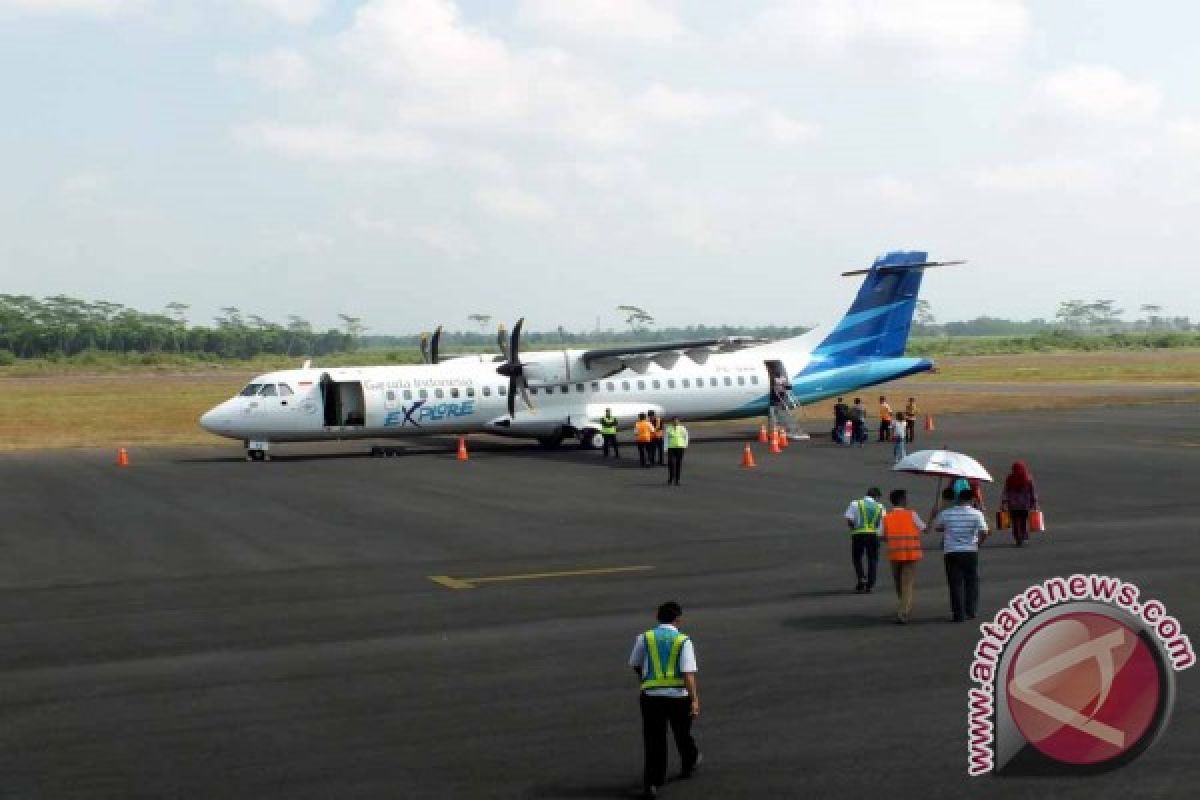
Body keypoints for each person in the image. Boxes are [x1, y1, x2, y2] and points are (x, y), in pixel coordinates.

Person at [628, 602, 702, 799]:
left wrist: (646, 678)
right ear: (678, 620)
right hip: (678, 697)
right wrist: (694, 700)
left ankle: (652, 781)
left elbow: (635, 663)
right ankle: (689, 762)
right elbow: (688, 673)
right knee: (682, 734)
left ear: (657, 617)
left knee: (654, 740)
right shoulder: (683, 640)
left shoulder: (645, 637)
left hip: (651, 697)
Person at [935, 488, 989, 622]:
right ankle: (971, 610)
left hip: (951, 551)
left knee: (955, 583)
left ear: (959, 499)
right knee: (971, 582)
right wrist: (978, 543)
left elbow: (938, 527)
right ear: (971, 500)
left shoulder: (947, 513)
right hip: (970, 550)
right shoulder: (977, 514)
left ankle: (958, 613)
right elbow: (984, 531)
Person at [881, 489, 926, 624]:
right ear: (902, 500)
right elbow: (924, 528)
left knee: (899, 584)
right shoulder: (912, 515)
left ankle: (904, 606)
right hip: (911, 554)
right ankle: (904, 610)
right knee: (906, 584)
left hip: (895, 554)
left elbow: (881, 535)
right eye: (906, 498)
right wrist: (932, 516)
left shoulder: (886, 517)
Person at [844, 487, 885, 592]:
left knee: (857, 558)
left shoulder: (855, 503)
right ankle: (870, 584)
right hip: (873, 535)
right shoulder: (880, 507)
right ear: (876, 496)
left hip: (858, 534)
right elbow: (882, 523)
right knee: (873, 559)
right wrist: (881, 536)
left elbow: (849, 519)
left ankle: (862, 578)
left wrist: (853, 529)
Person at [999, 461, 1040, 547]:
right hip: (1025, 505)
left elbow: (1006, 491)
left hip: (1013, 505)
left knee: (1015, 521)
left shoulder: (1010, 478)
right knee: (1023, 521)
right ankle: (1023, 534)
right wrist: (1035, 502)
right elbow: (1032, 491)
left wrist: (1003, 502)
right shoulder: (1028, 478)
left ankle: (1018, 537)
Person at [665, 416, 689, 486]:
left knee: (679, 463)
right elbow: (666, 438)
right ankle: (671, 477)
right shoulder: (668, 428)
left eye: (676, 420)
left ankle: (677, 479)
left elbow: (686, 436)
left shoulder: (682, 428)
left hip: (680, 447)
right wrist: (665, 448)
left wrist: (685, 445)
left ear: (678, 421)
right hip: (671, 447)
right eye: (674, 421)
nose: (675, 422)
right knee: (671, 463)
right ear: (672, 421)